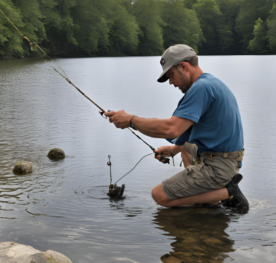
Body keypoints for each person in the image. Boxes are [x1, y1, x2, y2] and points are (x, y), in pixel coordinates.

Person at [105, 44, 248, 210]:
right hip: (226, 160)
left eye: (171, 75)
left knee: (159, 195)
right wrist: (173, 150)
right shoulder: (210, 83)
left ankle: (226, 192)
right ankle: (207, 195)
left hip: (219, 167)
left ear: (184, 66)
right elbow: (181, 132)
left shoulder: (201, 88)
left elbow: (171, 129)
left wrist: (131, 120)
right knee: (183, 147)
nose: (171, 83)